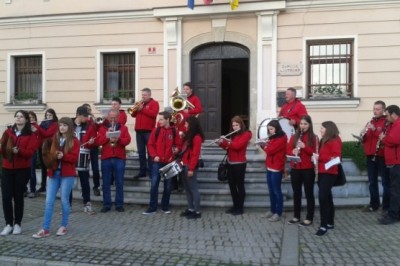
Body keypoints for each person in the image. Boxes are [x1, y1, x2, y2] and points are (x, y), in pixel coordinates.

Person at [32, 117, 80, 238]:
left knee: (64, 200)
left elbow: (74, 159)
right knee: (49, 201)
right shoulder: (54, 139)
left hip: (67, 174)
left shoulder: (74, 141)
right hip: (53, 173)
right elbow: (47, 153)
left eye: (65, 125)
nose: (62, 127)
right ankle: (45, 228)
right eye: (60, 125)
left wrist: (63, 156)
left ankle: (63, 226)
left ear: (69, 127)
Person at [0, 110, 38, 236]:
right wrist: (7, 149)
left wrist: (19, 151)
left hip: (22, 169)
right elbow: (2, 148)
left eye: (21, 117)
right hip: (7, 168)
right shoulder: (8, 132)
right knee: (6, 197)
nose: (18, 118)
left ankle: (17, 224)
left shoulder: (31, 135)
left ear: (26, 120)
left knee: (18, 197)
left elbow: (30, 153)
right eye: (17, 116)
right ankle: (8, 224)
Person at [142, 111, 182, 215]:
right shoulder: (156, 130)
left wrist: (177, 150)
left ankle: (165, 207)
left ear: (167, 119)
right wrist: (154, 155)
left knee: (168, 186)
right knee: (154, 185)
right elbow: (150, 145)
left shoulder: (174, 131)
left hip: (169, 163)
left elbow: (179, 145)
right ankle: (152, 208)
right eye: (158, 119)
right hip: (157, 162)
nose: (158, 121)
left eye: (161, 119)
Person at [96, 109, 131, 213]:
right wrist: (108, 136)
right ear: (107, 118)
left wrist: (118, 140)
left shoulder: (123, 128)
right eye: (111, 117)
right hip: (106, 158)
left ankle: (119, 204)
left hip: (119, 158)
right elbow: (98, 141)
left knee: (119, 182)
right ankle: (106, 204)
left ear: (118, 117)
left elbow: (128, 140)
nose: (112, 119)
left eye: (115, 118)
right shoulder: (102, 128)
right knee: (106, 182)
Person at [216, 116, 252, 216]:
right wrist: (221, 143)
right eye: (233, 125)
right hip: (230, 163)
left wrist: (227, 141)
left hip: (240, 164)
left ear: (241, 124)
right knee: (232, 186)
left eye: (236, 125)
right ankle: (235, 206)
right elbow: (229, 148)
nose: (235, 127)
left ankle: (240, 208)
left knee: (239, 186)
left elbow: (237, 146)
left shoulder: (246, 134)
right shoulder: (234, 135)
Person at [286, 115, 318, 226]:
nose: (302, 126)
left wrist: (305, 147)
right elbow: (288, 150)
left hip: (308, 169)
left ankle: (309, 217)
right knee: (296, 193)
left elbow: (315, 154)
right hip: (295, 168)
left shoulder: (314, 137)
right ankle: (296, 216)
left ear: (309, 125)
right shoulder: (294, 136)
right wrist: (293, 151)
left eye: (305, 124)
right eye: (301, 124)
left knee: (309, 193)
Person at [360, 100, 390, 212]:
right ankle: (374, 204)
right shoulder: (370, 121)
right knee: (372, 182)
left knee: (385, 182)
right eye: (374, 109)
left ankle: (386, 207)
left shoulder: (386, 122)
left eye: (378, 109)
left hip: (381, 155)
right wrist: (362, 135)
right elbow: (366, 139)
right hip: (370, 155)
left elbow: (384, 138)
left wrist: (374, 130)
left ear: (383, 110)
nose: (375, 111)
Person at [173, 82, 203, 191]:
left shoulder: (195, 99)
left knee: (185, 155)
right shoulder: (181, 99)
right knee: (178, 157)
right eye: (184, 89)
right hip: (181, 128)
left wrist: (189, 111)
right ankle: (177, 181)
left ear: (191, 90)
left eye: (186, 89)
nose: (185, 91)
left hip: (189, 130)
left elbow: (199, 109)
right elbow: (177, 111)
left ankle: (183, 182)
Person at [315, 121, 342, 236]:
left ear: (328, 129)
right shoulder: (323, 140)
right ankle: (330, 222)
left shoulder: (335, 140)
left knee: (322, 198)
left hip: (330, 172)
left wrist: (319, 157)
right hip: (321, 171)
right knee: (327, 197)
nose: (320, 130)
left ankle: (323, 225)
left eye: (322, 128)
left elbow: (336, 156)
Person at [261, 120, 288, 222]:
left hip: (277, 167)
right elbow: (269, 149)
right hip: (270, 166)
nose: (270, 132)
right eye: (269, 130)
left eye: (272, 129)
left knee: (277, 191)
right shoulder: (274, 137)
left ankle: (278, 212)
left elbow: (270, 150)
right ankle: (272, 210)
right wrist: (264, 143)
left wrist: (264, 145)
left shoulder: (282, 137)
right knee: (271, 190)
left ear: (277, 128)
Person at [130, 88, 159, 179]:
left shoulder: (154, 103)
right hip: (139, 131)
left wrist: (142, 109)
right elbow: (133, 115)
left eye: (145, 95)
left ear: (149, 95)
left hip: (149, 131)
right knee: (141, 152)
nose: (143, 97)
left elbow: (154, 114)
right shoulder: (140, 104)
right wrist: (136, 109)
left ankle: (151, 171)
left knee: (150, 152)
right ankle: (142, 171)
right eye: (142, 95)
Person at [378, 105, 400, 225]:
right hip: (394, 162)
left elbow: (393, 140)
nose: (386, 118)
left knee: (395, 190)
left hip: (397, 162)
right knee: (396, 189)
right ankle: (396, 213)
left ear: (393, 114)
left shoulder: (398, 124)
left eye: (387, 115)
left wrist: (383, 138)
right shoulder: (392, 125)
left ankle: (393, 215)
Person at [73, 106, 97, 214]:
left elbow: (94, 140)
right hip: (70, 156)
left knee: (85, 181)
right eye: (84, 116)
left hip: (84, 155)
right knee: (68, 182)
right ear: (78, 114)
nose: (86, 118)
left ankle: (87, 203)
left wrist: (92, 142)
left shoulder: (89, 126)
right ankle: (67, 205)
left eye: (87, 116)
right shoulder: (69, 124)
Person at [180, 116, 205, 219]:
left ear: (191, 125)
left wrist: (191, 168)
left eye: (186, 124)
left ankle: (197, 211)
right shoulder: (189, 136)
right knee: (187, 188)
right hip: (184, 164)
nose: (185, 125)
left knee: (193, 189)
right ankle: (190, 209)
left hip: (190, 165)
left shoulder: (197, 137)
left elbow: (195, 154)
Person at [33, 108, 59, 193]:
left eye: (50, 115)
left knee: (50, 166)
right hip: (41, 147)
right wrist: (35, 130)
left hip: (49, 147)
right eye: (47, 115)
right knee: (43, 167)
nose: (48, 116)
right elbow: (39, 133)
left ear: (53, 116)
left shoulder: (55, 124)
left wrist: (37, 126)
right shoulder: (43, 124)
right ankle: (43, 186)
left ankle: (54, 186)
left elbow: (47, 134)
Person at [82, 103, 102, 196]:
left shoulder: (92, 120)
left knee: (95, 169)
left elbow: (99, 127)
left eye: (89, 109)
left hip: (94, 146)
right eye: (86, 109)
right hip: (85, 147)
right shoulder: (83, 121)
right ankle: (85, 188)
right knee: (84, 168)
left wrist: (94, 119)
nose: (88, 111)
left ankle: (96, 187)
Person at [27, 111, 40, 198]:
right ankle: (24, 190)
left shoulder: (37, 127)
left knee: (31, 172)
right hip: (23, 151)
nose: (31, 119)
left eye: (33, 117)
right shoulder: (25, 126)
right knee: (24, 172)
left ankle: (32, 190)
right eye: (29, 118)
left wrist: (35, 131)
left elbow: (39, 139)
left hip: (32, 152)